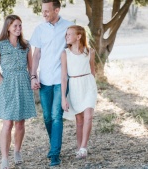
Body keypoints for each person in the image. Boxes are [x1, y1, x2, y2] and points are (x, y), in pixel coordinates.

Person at [30, 0, 74, 166]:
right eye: (43, 11)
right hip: (45, 80)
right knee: (47, 117)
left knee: (56, 116)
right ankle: (54, 145)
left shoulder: (68, 27)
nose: (44, 14)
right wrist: (33, 76)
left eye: (47, 11)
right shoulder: (40, 29)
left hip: (61, 79)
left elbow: (76, 48)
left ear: (57, 10)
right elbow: (36, 55)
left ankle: (55, 153)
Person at [0, 15, 37, 169]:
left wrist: (33, 78)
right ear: (8, 27)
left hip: (23, 82)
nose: (18, 29)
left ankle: (17, 151)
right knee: (7, 123)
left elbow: (31, 66)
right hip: (8, 84)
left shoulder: (26, 45)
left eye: (20, 25)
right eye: (15, 26)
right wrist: (3, 81)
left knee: (20, 123)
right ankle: (4, 158)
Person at [61, 25, 97, 159]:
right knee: (79, 119)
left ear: (79, 36)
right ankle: (79, 146)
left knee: (88, 116)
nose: (67, 37)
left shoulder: (90, 52)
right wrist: (63, 98)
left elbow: (92, 71)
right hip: (75, 86)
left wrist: (93, 85)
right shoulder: (65, 53)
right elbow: (64, 77)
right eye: (66, 34)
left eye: (69, 34)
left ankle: (83, 147)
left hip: (88, 85)